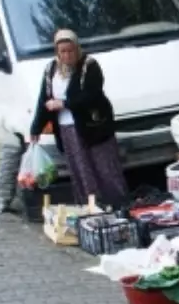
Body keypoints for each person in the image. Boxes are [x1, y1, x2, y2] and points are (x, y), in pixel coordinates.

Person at [28, 29, 128, 207]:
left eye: (71, 50)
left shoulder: (89, 66)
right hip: (67, 130)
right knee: (81, 171)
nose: (67, 55)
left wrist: (65, 103)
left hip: (94, 127)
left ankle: (118, 206)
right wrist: (36, 127)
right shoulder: (51, 70)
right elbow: (44, 98)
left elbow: (92, 94)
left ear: (77, 49)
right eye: (63, 51)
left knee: (105, 169)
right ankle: (90, 208)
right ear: (57, 52)